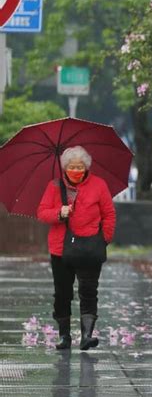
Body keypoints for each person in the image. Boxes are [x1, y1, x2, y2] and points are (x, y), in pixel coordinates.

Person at [37, 146, 116, 351]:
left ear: (86, 167)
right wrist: (59, 213)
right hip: (60, 249)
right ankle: (64, 336)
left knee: (89, 291)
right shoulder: (54, 186)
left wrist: (104, 240)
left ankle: (87, 335)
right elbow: (42, 213)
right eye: (72, 166)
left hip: (90, 248)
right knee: (62, 293)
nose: (76, 170)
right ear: (65, 167)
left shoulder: (99, 185)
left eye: (80, 166)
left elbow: (109, 214)